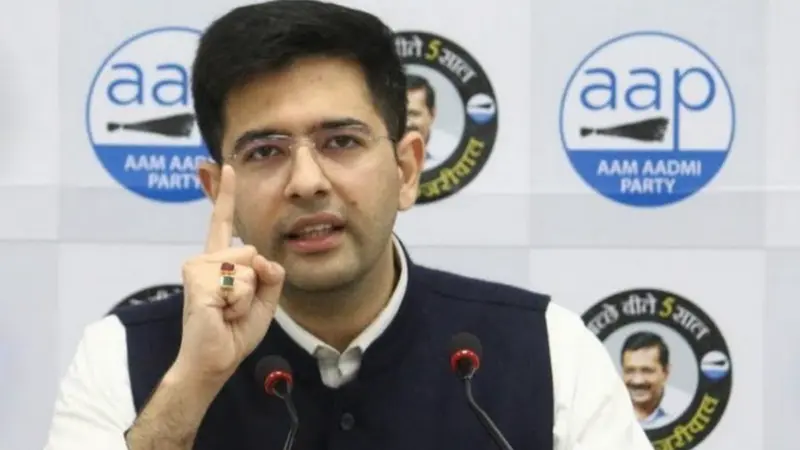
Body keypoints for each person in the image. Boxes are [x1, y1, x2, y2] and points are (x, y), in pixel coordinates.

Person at [44, 1, 653, 449]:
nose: (307, 182)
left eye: (341, 141)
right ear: (215, 190)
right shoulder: (123, 355)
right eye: (265, 151)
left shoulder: (545, 347)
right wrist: (190, 386)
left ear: (406, 169)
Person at [620, 331, 693, 429]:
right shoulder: (606, 409)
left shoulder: (688, 409)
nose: (638, 381)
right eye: (630, 371)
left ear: (666, 372)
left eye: (647, 371)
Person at [404, 74, 459, 170]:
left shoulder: (454, 152)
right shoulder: (379, 150)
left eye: (414, 114)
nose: (406, 123)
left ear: (432, 114)